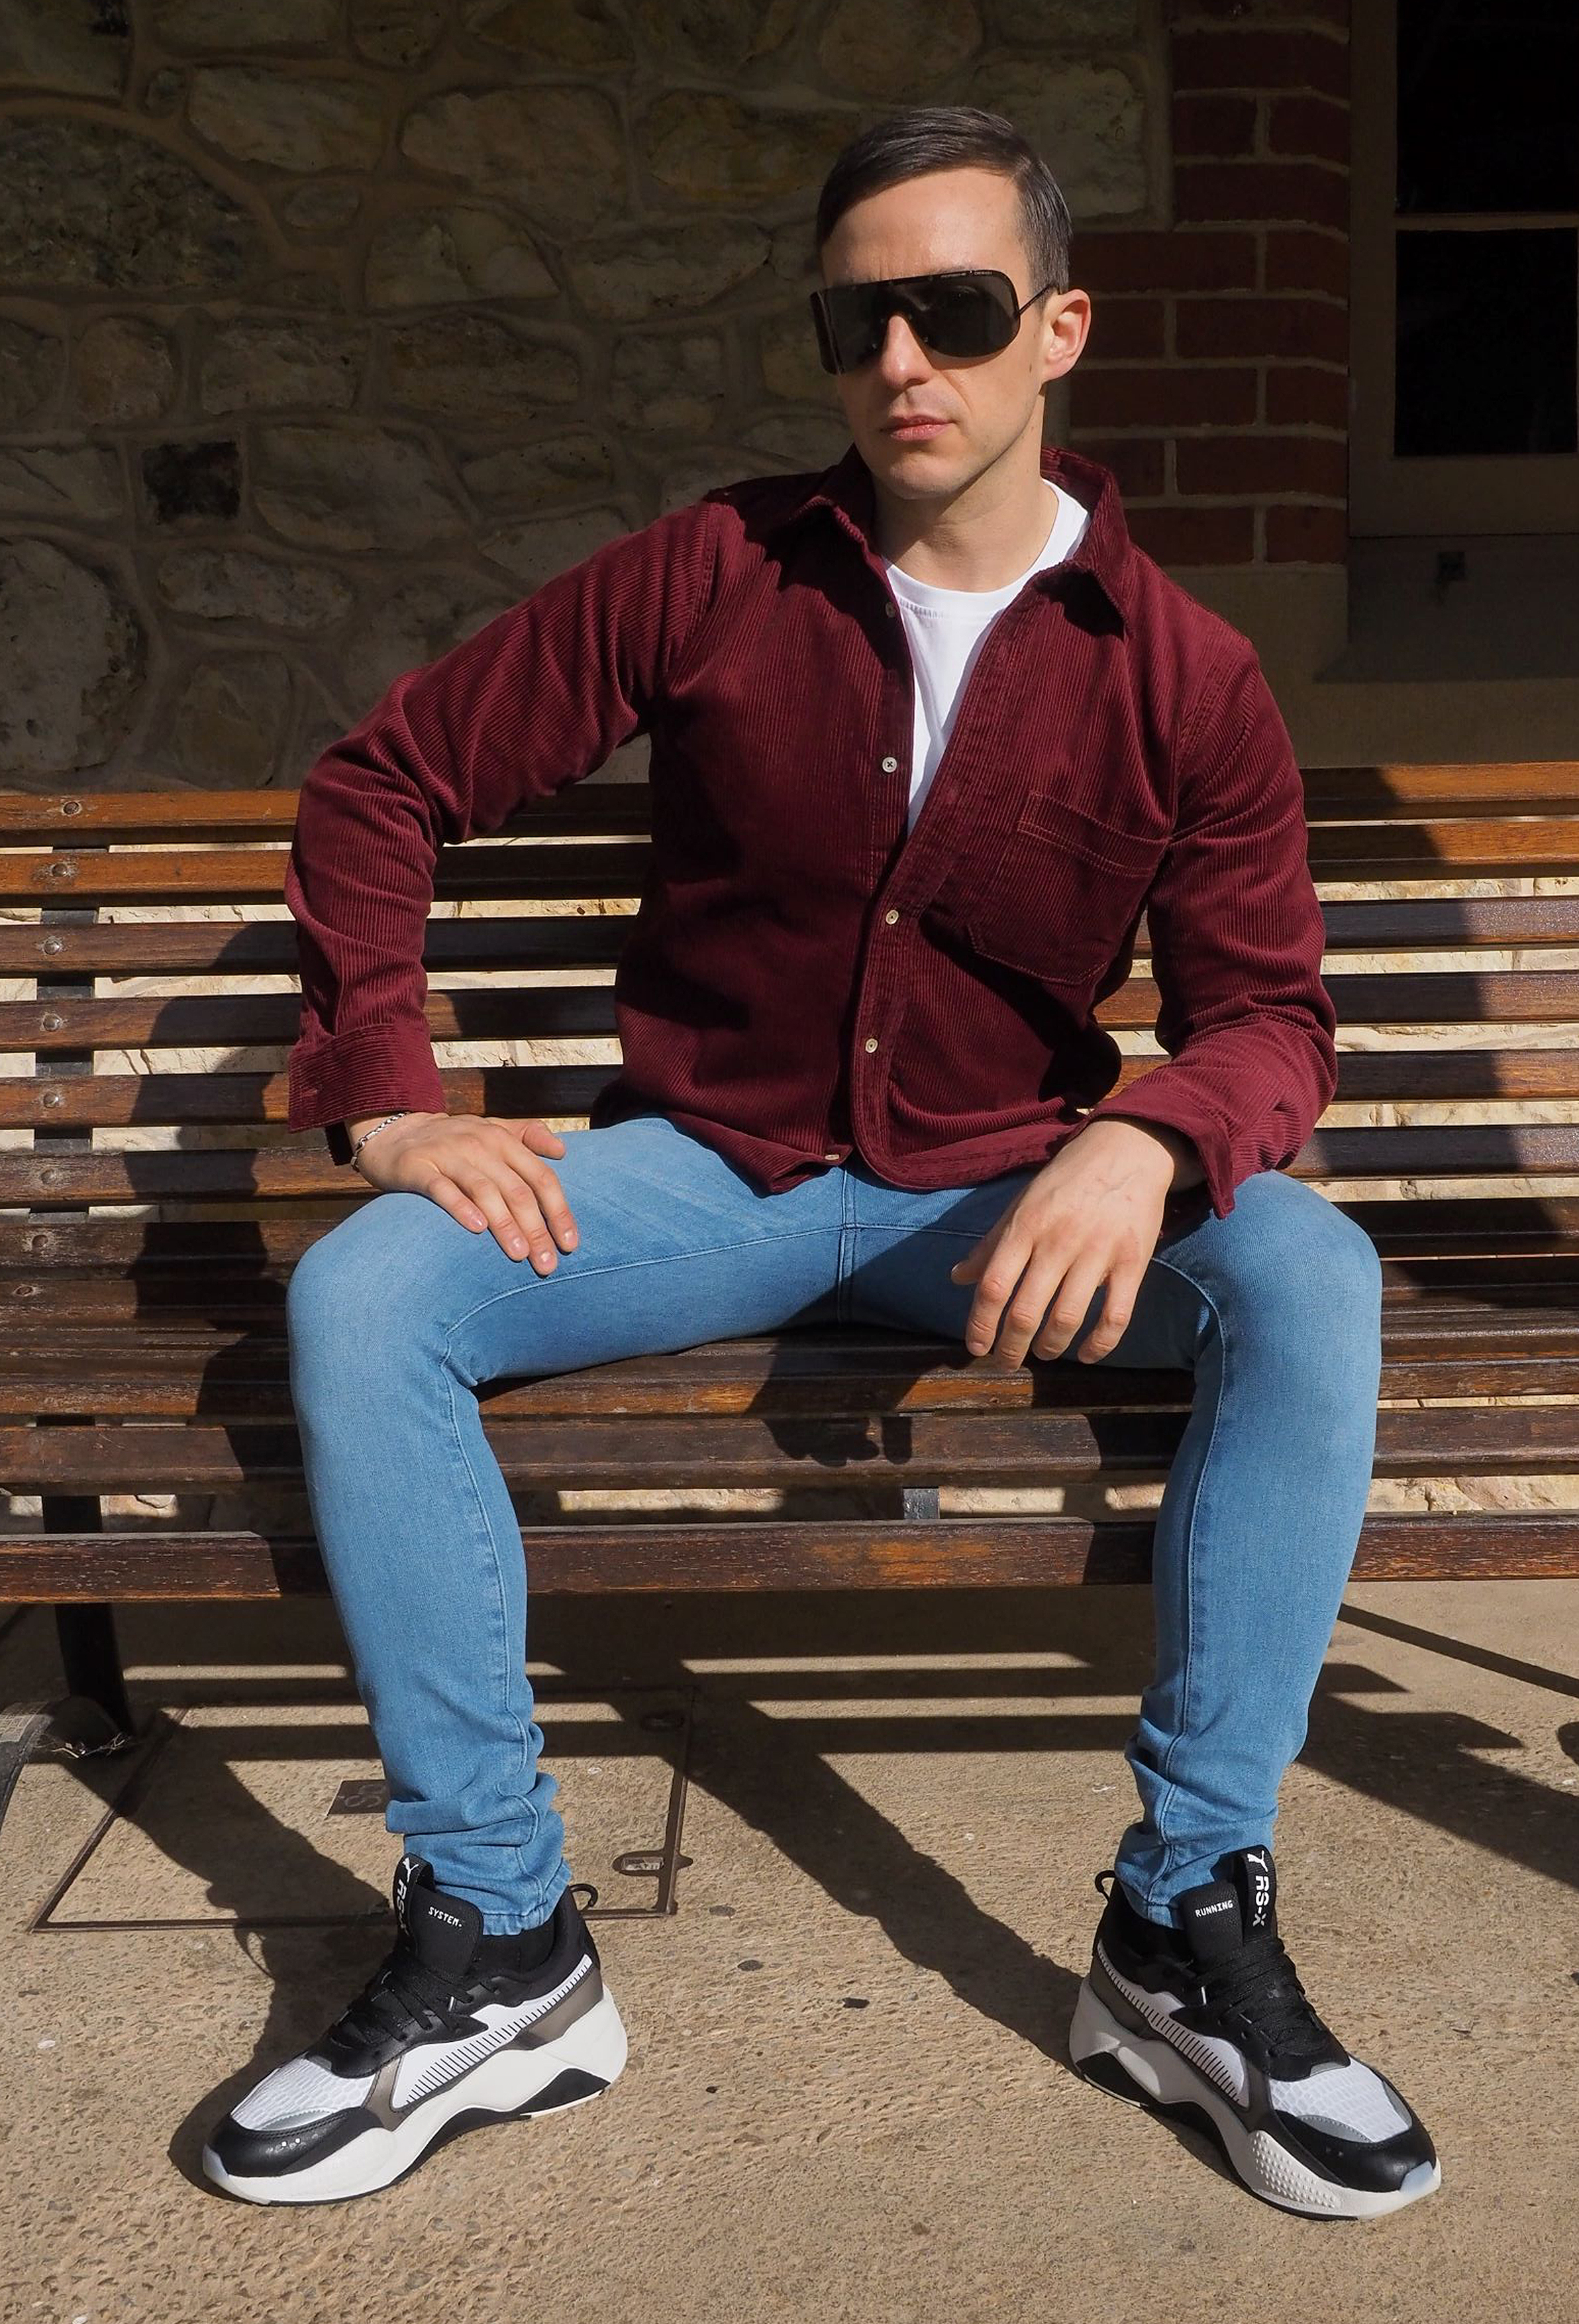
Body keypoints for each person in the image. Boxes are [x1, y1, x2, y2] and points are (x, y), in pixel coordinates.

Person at [201, 105, 1439, 2219]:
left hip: (998, 1195)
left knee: (1312, 1273)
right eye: (854, 320)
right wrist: (391, 1096)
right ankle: (500, 1934)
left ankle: (1183, 1917)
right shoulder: (716, 571)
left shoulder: (1188, 676)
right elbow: (386, 781)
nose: (900, 361)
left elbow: (1272, 1019)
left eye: (952, 308)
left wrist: (1147, 1138)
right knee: (369, 1286)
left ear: (1060, 327)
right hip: (712, 1173)